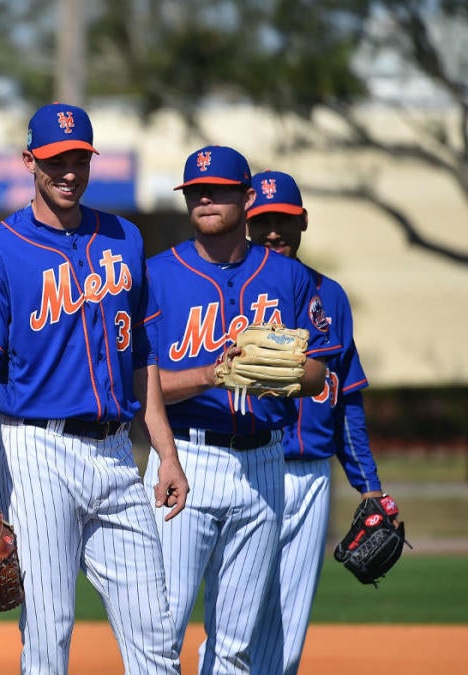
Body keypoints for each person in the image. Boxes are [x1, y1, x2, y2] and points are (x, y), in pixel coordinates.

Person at [0, 103, 190, 674]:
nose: (68, 172)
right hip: (35, 449)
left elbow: (142, 355)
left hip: (114, 452)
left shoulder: (124, 237)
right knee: (48, 629)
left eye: (79, 159)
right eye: (56, 160)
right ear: (30, 161)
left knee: (157, 630)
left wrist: (166, 451)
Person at [144, 146, 339, 674]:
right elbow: (141, 386)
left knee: (236, 645)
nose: (205, 198)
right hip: (185, 456)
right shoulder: (157, 276)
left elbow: (321, 370)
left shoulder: (288, 277)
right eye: (195, 192)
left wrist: (280, 374)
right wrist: (213, 373)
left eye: (219, 190)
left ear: (247, 198)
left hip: (264, 463)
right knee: (160, 634)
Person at [243, 170, 389, 673]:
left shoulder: (332, 297)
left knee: (286, 632)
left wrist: (368, 485)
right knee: (236, 626)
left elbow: (347, 401)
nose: (273, 232)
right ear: (245, 224)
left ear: (302, 222)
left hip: (310, 478)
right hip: (247, 468)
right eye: (262, 221)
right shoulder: (233, 294)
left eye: (283, 220)